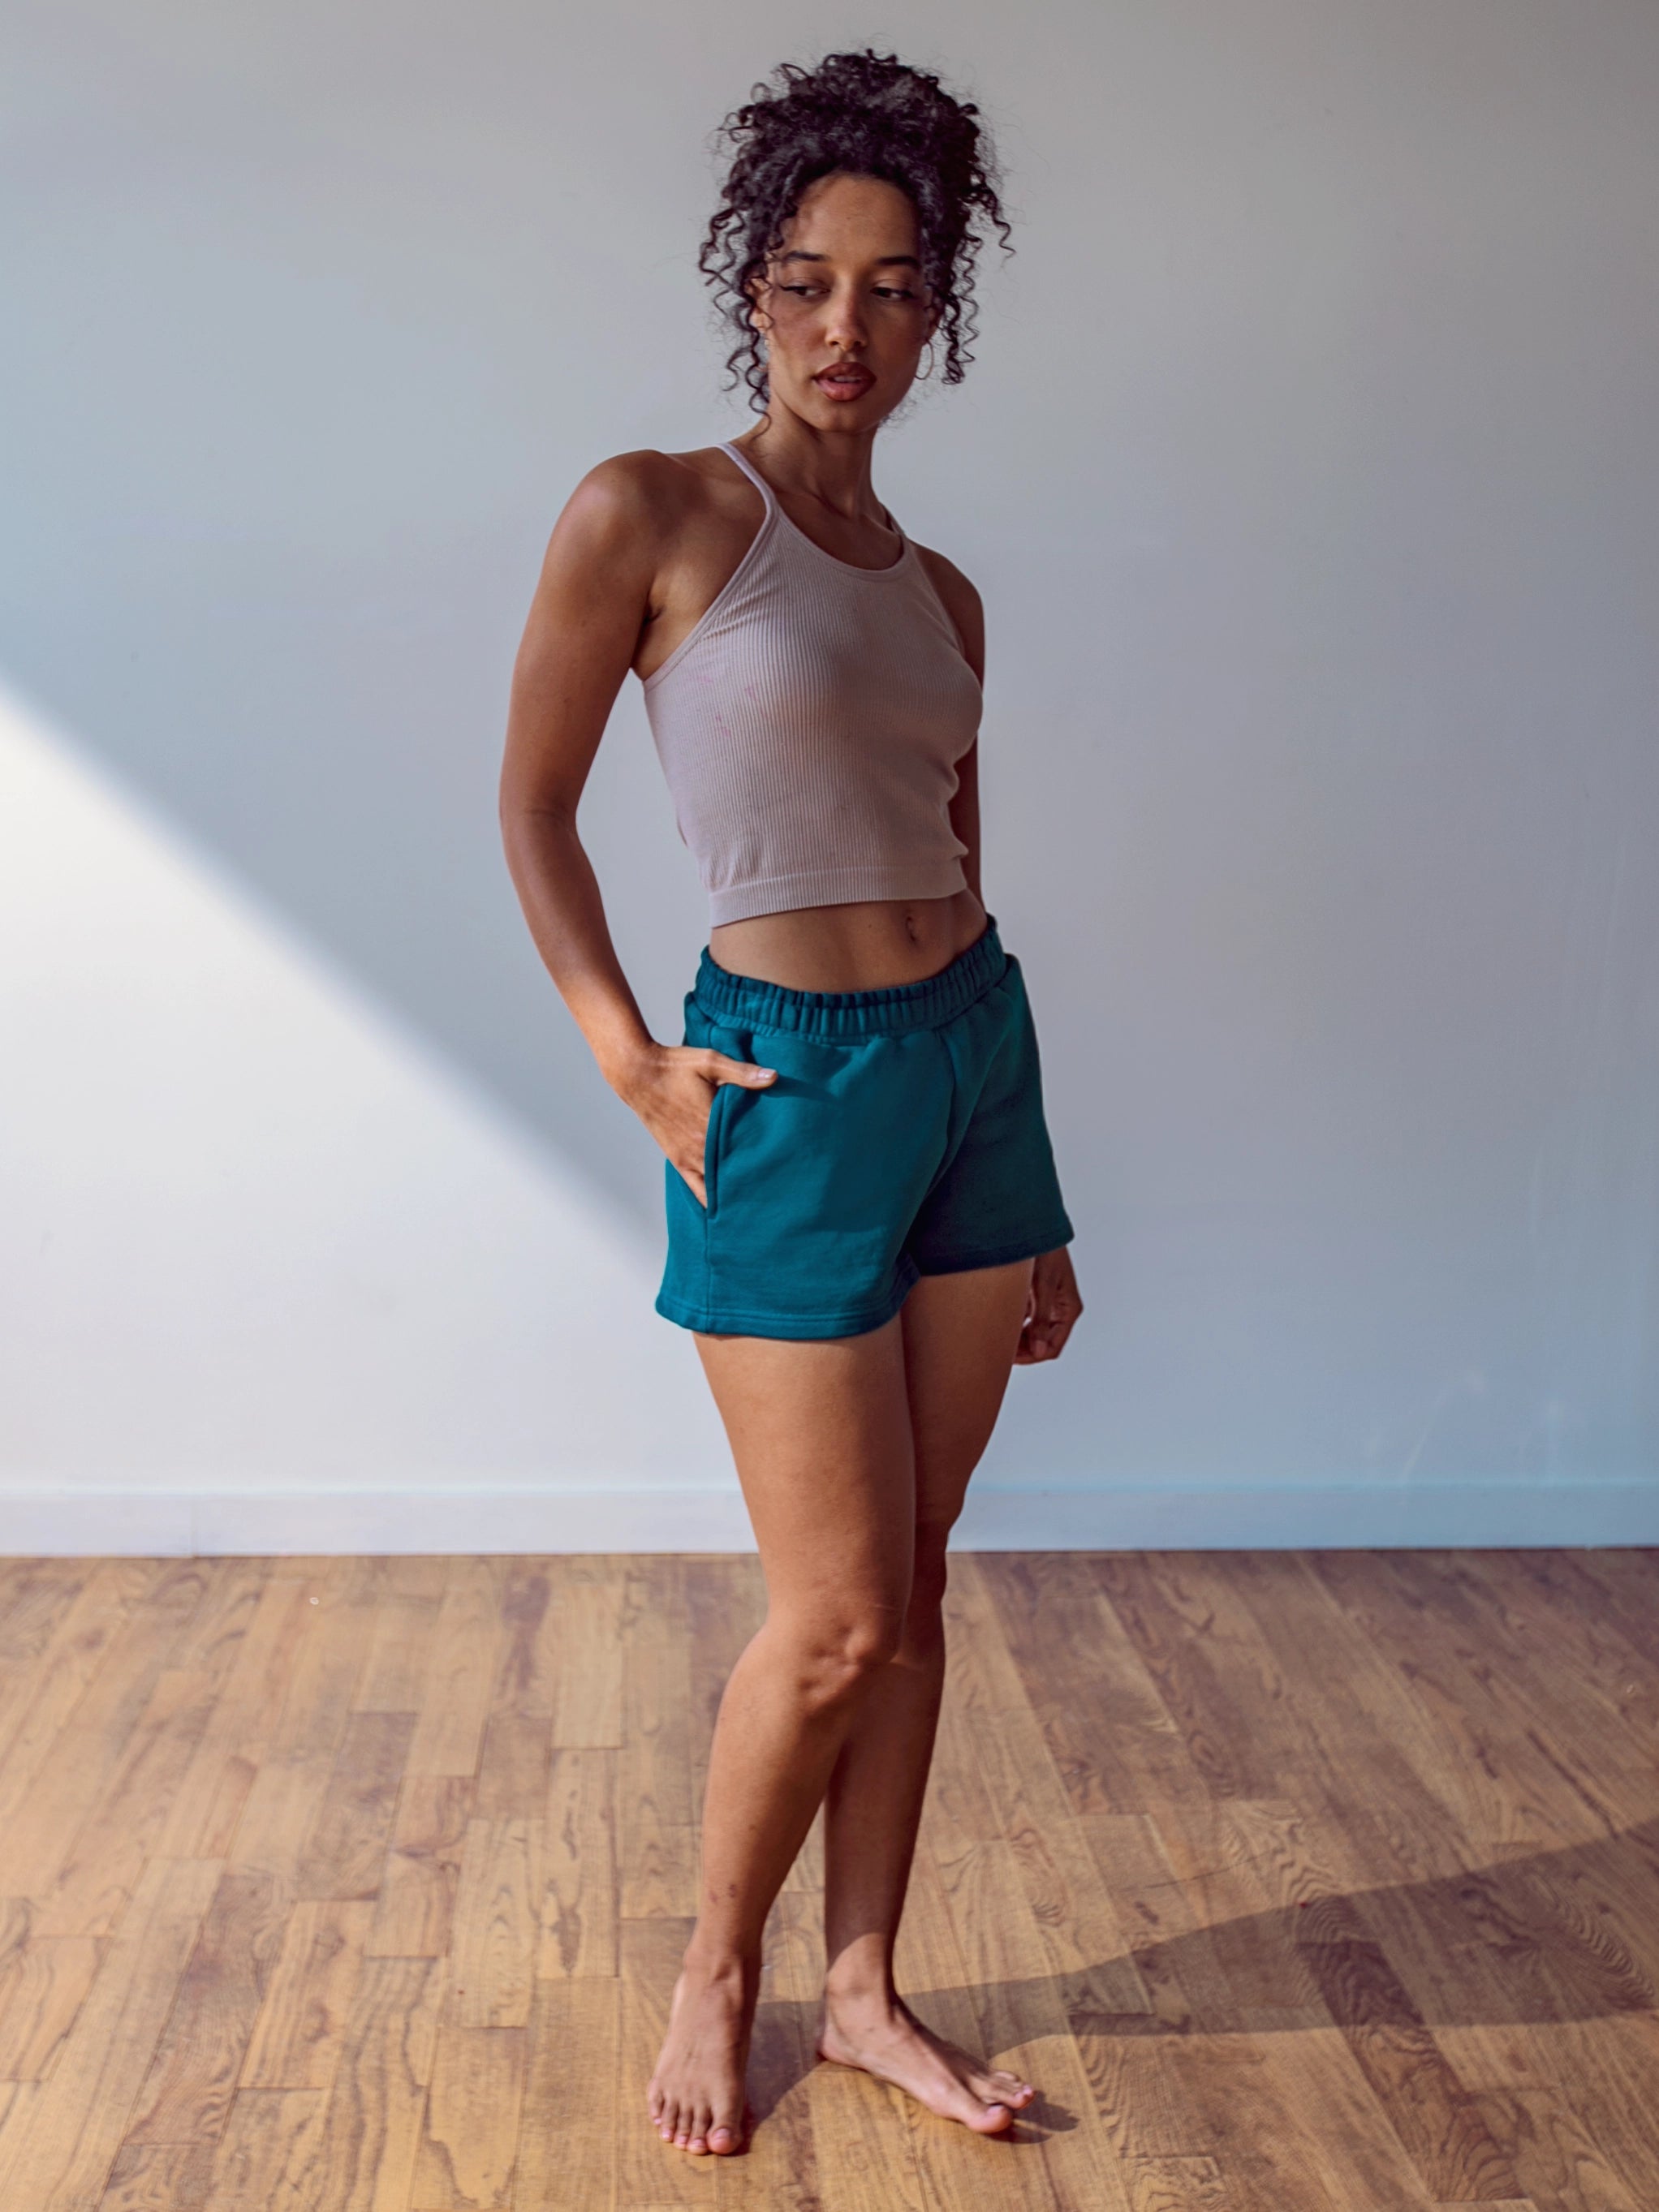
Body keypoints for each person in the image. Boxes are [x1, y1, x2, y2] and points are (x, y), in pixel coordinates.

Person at [500, 48, 1082, 2160]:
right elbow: (532, 808)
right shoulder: (651, 513)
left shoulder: (944, 601)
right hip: (786, 1086)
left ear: (940, 315)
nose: (852, 329)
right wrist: (619, 1054)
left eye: (899, 289)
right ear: (750, 287)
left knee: (913, 1585)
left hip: (968, 1074)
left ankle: (858, 1993)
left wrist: (1042, 1196)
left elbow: (960, 866)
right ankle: (716, 1966)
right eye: (811, 283)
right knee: (830, 1621)